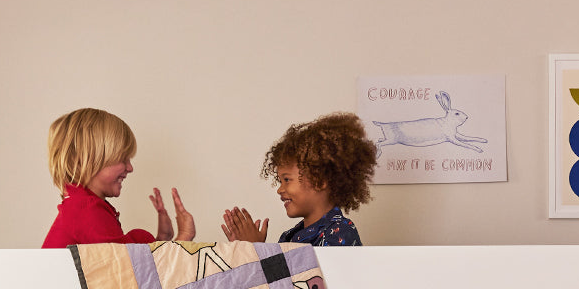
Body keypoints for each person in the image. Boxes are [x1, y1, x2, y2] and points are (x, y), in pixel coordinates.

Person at [42, 108, 194, 248]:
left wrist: (161, 239)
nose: (130, 168)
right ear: (85, 160)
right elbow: (130, 269)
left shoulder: (80, 206)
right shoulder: (86, 210)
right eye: (123, 158)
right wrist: (183, 239)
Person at [221, 112, 375, 246]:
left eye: (287, 180)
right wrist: (250, 249)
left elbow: (303, 279)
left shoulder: (340, 233)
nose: (279, 189)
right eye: (280, 181)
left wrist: (256, 250)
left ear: (319, 180)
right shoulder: (289, 237)